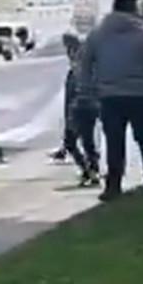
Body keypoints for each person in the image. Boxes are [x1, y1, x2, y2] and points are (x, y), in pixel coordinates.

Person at [78, 0, 143, 202]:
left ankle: (113, 185)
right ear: (133, 10)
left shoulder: (97, 35)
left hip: (110, 97)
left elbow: (84, 65)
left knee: (114, 143)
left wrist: (86, 91)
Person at [60, 34, 100, 188]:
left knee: (78, 141)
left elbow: (80, 90)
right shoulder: (78, 67)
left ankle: (90, 170)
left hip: (83, 108)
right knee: (82, 142)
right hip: (79, 108)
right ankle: (90, 170)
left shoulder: (82, 67)